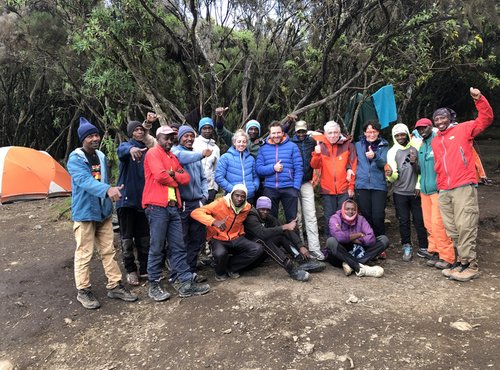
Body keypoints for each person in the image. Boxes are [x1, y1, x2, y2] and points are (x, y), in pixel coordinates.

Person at [67, 117, 138, 310]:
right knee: (84, 253)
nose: (95, 138)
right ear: (83, 139)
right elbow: (84, 181)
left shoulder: (100, 155)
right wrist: (107, 190)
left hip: (104, 212)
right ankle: (83, 290)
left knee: (108, 251)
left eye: (96, 134)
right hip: (85, 213)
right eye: (90, 136)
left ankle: (114, 285)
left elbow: (102, 178)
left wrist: (111, 189)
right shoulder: (75, 159)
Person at [431, 87, 494, 281]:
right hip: (444, 189)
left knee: (465, 225)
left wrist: (479, 99)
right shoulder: (435, 141)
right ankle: (461, 262)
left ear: (450, 117)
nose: (440, 121)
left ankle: (471, 265)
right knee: (452, 228)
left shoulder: (464, 129)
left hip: (463, 186)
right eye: (437, 119)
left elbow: (486, 119)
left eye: (443, 117)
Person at [142, 125, 210, 301]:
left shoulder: (172, 156)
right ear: (158, 138)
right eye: (166, 138)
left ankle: (185, 282)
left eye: (171, 138)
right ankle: (154, 284)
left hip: (173, 206)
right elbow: (160, 176)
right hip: (156, 206)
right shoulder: (153, 153)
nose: (169, 141)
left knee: (179, 245)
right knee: (157, 246)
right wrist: (173, 176)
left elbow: (185, 178)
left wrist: (172, 174)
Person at [191, 184, 264, 281]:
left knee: (257, 249)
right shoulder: (220, 203)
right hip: (218, 238)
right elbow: (195, 213)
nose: (239, 199)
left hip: (236, 238)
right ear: (232, 194)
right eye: (237, 195)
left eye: (242, 196)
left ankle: (231, 267)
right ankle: (220, 272)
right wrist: (213, 222)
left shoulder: (247, 207)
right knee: (220, 253)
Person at [244, 196, 326, 281]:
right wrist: (284, 227)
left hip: (261, 253)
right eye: (262, 209)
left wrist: (300, 246)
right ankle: (291, 268)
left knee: (280, 235)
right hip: (250, 258)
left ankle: (301, 260)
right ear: (257, 208)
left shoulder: (268, 218)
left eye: (267, 209)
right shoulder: (251, 217)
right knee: (262, 240)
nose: (265, 212)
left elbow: (286, 229)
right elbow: (262, 233)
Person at [415, 118, 455, 270]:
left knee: (439, 224)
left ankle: (447, 256)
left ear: (430, 127)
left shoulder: (438, 141)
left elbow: (447, 164)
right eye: (419, 129)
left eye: (424, 128)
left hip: (438, 190)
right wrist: (414, 163)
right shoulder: (422, 145)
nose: (421, 131)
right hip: (425, 190)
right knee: (429, 224)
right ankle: (435, 251)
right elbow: (422, 169)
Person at [385, 123, 429, 261]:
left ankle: (424, 246)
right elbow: (393, 177)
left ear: (407, 134)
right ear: (394, 136)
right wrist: (390, 174)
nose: (400, 137)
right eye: (397, 135)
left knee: (419, 220)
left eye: (402, 134)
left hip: (415, 191)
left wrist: (418, 185)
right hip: (400, 192)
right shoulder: (392, 152)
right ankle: (406, 245)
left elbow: (422, 170)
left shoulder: (416, 147)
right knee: (403, 220)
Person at [172, 125, 209, 282]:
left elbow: (203, 178)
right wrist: (201, 154)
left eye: (191, 136)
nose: (189, 138)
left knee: (196, 238)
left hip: (197, 202)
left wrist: (205, 195)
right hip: (183, 204)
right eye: (185, 136)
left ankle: (192, 271)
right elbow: (182, 158)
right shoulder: (175, 152)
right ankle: (179, 274)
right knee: (181, 240)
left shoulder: (195, 156)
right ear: (180, 138)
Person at [116, 120, 150, 286]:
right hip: (126, 201)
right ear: (130, 133)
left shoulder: (146, 149)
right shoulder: (126, 147)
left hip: (143, 201)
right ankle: (130, 270)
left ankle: (144, 269)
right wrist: (131, 149)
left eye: (141, 130)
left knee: (144, 238)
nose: (139, 132)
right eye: (136, 130)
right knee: (127, 239)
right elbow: (121, 151)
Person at [310, 120, 357, 238]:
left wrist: (351, 186)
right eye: (330, 133)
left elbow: (353, 166)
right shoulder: (320, 146)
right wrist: (316, 154)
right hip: (327, 189)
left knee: (346, 216)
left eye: (335, 132)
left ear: (339, 132)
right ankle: (330, 243)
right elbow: (314, 166)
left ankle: (346, 241)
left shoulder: (348, 145)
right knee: (329, 217)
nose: (333, 135)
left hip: (344, 188)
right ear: (325, 134)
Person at [325, 199, 388, 277]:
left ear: (356, 210)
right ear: (342, 209)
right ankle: (360, 267)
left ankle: (351, 265)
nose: (350, 212)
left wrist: (355, 239)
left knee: (384, 240)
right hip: (341, 254)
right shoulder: (335, 218)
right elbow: (340, 238)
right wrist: (358, 235)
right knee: (331, 241)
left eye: (353, 209)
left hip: (359, 250)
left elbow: (371, 238)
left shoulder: (361, 219)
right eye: (347, 209)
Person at [256, 121, 303, 223]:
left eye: (278, 133)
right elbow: (259, 170)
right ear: (269, 133)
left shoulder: (292, 146)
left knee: (292, 220)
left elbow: (299, 168)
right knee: (271, 220)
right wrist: (273, 168)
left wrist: (295, 188)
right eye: (273, 133)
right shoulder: (263, 149)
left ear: (283, 133)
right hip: (270, 188)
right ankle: (274, 239)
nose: (276, 135)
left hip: (289, 188)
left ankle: (293, 239)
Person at [290, 120, 324, 260]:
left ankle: (315, 248)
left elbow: (324, 138)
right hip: (293, 183)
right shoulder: (290, 143)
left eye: (303, 131)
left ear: (307, 130)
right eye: (299, 131)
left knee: (311, 215)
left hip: (307, 182)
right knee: (297, 216)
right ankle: (301, 247)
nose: (301, 134)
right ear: (295, 132)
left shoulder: (312, 142)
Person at [354, 120, 390, 237]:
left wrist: (375, 156)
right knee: (366, 215)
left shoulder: (384, 145)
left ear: (378, 132)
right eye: (369, 132)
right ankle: (369, 241)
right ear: (364, 133)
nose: (372, 134)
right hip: (362, 184)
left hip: (378, 185)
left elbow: (383, 162)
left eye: (374, 131)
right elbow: (351, 161)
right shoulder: (358, 145)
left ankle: (380, 242)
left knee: (378, 215)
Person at [215, 129, 260, 203]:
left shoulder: (251, 159)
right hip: (232, 197)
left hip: (249, 197)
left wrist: (254, 187)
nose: (241, 144)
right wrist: (233, 189)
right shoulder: (226, 157)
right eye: (239, 142)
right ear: (234, 143)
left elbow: (255, 176)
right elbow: (218, 177)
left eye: (244, 142)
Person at [193, 117, 220, 203]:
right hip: (194, 187)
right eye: (204, 128)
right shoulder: (194, 143)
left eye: (209, 128)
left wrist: (215, 188)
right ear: (200, 130)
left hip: (210, 188)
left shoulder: (215, 148)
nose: (207, 131)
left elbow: (216, 169)